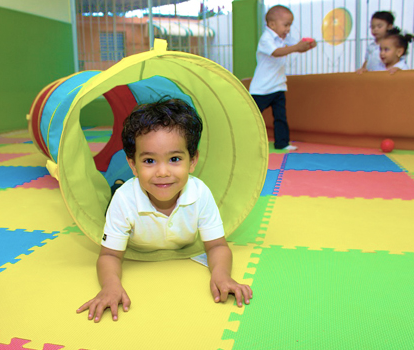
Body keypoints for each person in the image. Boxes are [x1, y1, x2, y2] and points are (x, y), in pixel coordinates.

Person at [76, 98, 253, 322]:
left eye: (175, 159)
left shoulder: (200, 193)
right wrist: (111, 286)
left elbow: (217, 245)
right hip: (125, 194)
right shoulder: (124, 201)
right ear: (133, 165)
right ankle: (119, 182)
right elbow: (109, 254)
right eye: (149, 160)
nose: (162, 172)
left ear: (192, 161)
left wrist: (222, 275)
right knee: (117, 191)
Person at [249, 5, 316, 151]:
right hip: (262, 88)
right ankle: (245, 141)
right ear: (272, 25)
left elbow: (297, 46)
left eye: (290, 25)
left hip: (278, 85)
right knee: (252, 117)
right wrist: (297, 47)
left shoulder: (283, 38)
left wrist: (308, 45)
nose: (288, 29)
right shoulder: (265, 39)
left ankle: (282, 143)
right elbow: (277, 52)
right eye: (286, 25)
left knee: (280, 117)